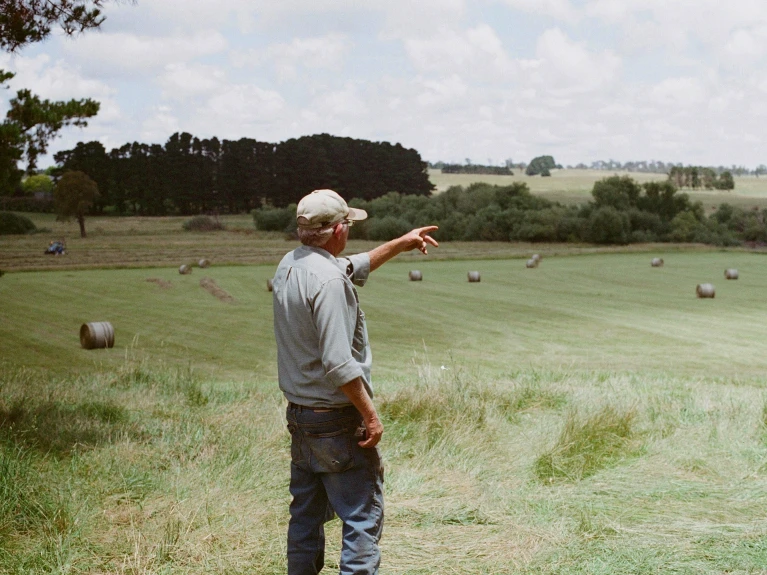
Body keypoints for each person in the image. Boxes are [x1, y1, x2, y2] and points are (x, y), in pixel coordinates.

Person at [272, 189, 438, 575]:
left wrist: (401, 243)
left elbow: (352, 265)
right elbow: (339, 363)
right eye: (347, 223)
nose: (350, 229)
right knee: (361, 520)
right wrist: (371, 415)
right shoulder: (329, 282)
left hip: (301, 416)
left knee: (305, 519)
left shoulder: (291, 264)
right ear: (337, 230)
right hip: (335, 420)